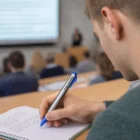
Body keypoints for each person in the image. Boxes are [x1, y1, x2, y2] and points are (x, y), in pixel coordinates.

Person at [39, 0, 140, 139]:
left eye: (98, 36)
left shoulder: (112, 127)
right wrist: (98, 109)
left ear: (111, 22)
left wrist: (114, 116)